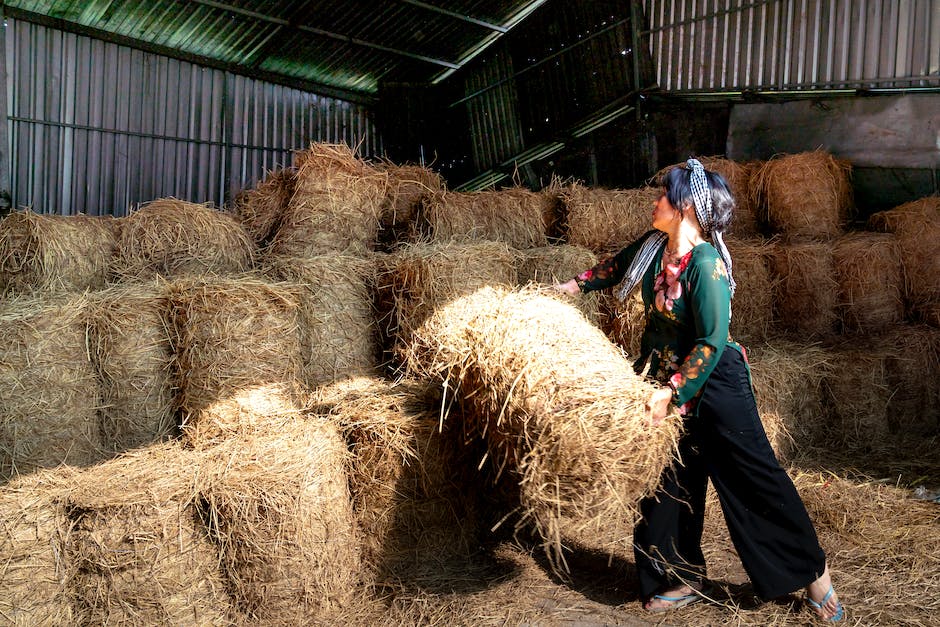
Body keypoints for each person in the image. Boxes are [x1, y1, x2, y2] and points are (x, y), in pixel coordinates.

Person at [554, 159, 845, 622]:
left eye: (663, 195)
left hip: (714, 384)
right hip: (665, 380)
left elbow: (711, 341)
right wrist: (567, 288)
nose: (654, 202)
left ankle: (815, 576)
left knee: (754, 480)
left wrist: (671, 390)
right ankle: (680, 577)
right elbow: (613, 267)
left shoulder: (705, 264)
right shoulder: (653, 247)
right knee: (667, 481)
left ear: (686, 205)